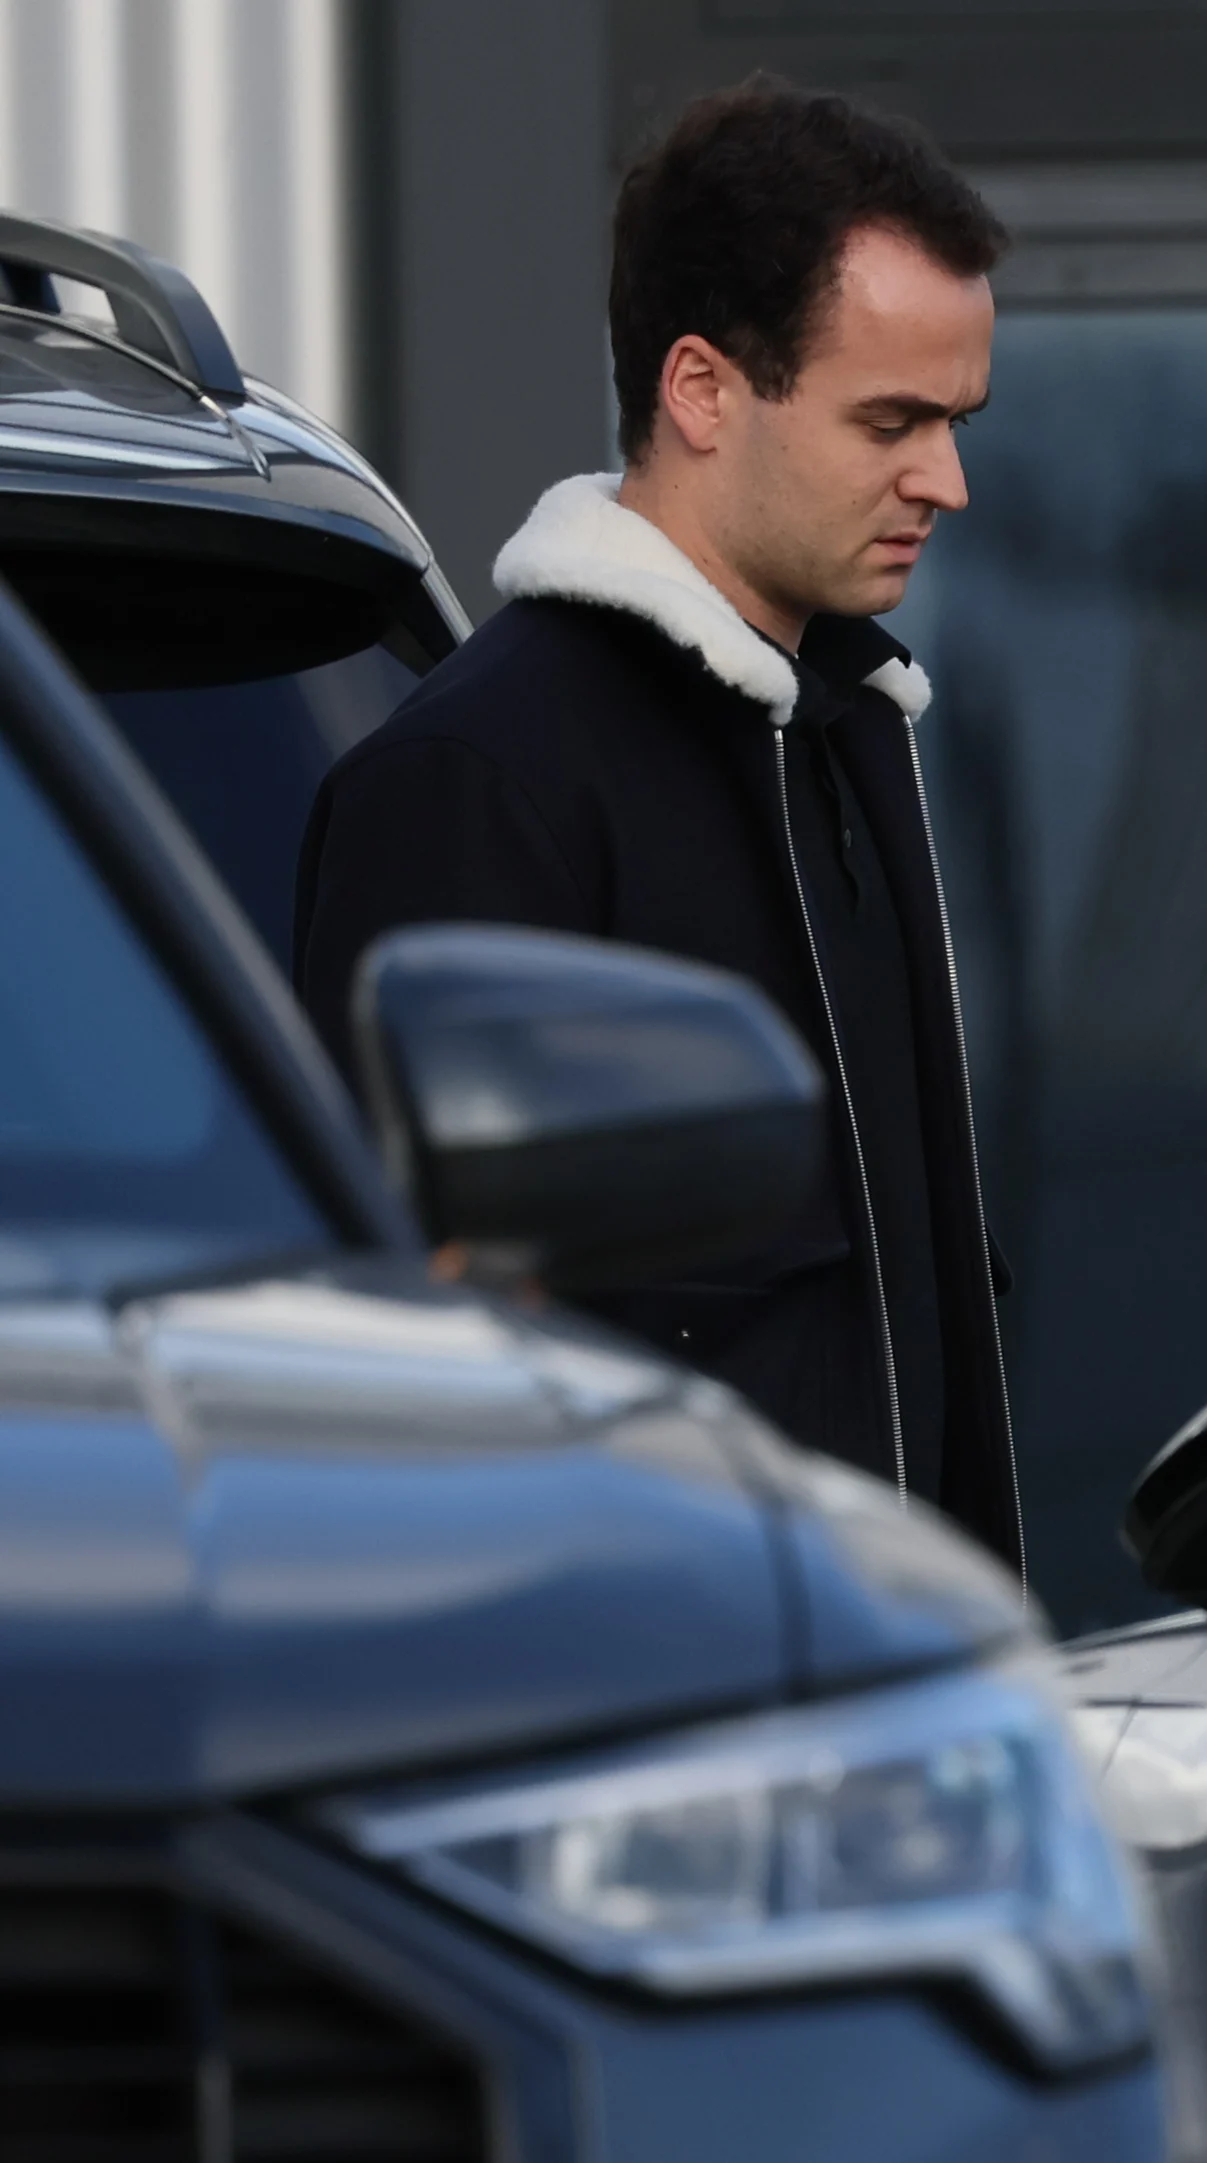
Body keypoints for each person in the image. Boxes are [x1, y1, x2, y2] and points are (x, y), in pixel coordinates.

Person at [293, 78, 1023, 1570]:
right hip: (663, 1732)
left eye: (955, 421)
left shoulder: (855, 738)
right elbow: (415, 1385)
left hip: (891, 1705)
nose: (944, 480)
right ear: (700, 391)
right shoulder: (477, 784)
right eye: (890, 419)